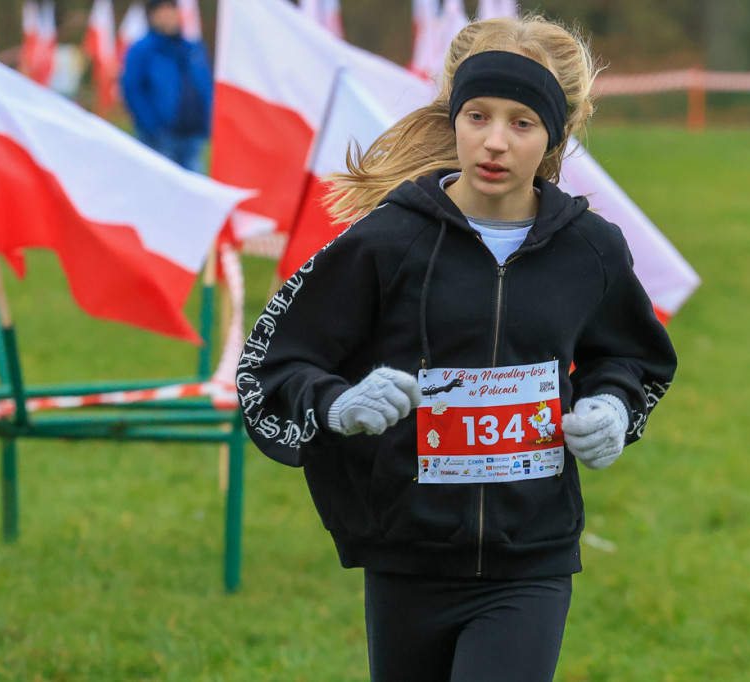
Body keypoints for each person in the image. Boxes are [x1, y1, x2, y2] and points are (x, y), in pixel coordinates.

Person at [237, 15, 677, 682]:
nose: (495, 141)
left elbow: (633, 357)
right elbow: (275, 367)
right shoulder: (386, 242)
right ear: (455, 120)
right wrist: (338, 404)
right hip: (405, 552)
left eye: (522, 123)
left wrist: (614, 405)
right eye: (478, 116)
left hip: (531, 558)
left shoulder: (590, 249)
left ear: (554, 136)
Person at [121, 0, 213, 172]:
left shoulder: (192, 48)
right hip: (160, 137)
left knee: (194, 188)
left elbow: (204, 85)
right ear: (152, 16)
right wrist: (150, 125)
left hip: (193, 135)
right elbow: (132, 88)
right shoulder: (141, 49)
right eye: (162, 11)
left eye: (171, 10)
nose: (168, 16)